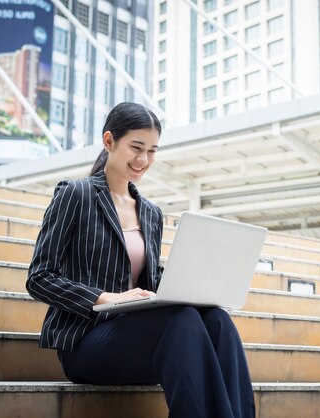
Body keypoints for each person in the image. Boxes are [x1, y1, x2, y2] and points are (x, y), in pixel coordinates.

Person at [26, 102, 255, 418]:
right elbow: (39, 277)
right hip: (87, 343)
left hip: (143, 340)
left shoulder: (151, 213)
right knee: (183, 320)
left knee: (217, 320)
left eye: (152, 151)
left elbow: (151, 284)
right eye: (136, 148)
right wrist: (109, 298)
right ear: (109, 142)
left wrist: (192, 288)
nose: (144, 160)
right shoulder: (75, 194)